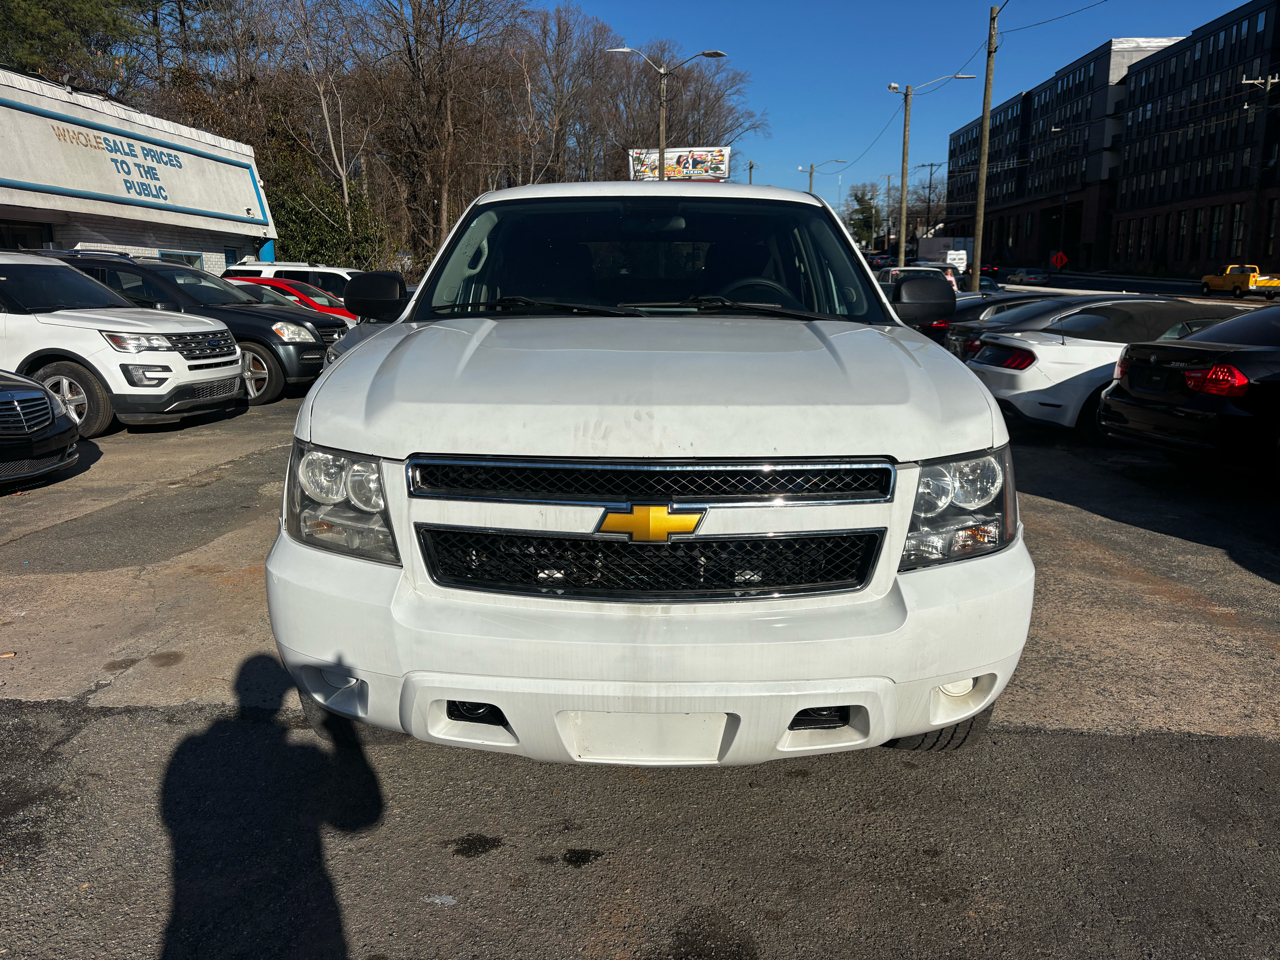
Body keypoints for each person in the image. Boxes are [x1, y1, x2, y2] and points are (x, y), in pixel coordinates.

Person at [161, 655, 383, 960]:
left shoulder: (190, 752)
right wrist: (342, 733)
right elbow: (359, 819)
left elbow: (174, 815)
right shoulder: (303, 759)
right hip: (298, 913)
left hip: (202, 911)